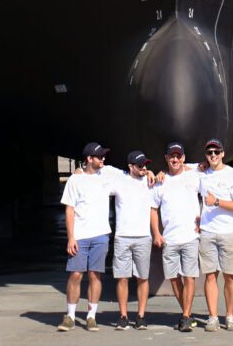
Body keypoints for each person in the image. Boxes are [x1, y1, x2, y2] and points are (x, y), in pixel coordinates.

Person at [58, 141, 112, 332]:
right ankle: (70, 316)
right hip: (80, 236)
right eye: (99, 156)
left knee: (95, 275)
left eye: (104, 156)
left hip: (100, 235)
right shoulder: (75, 180)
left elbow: (131, 173)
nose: (103, 159)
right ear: (89, 159)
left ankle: (91, 316)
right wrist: (71, 237)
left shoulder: (107, 175)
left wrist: (148, 172)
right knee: (76, 274)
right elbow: (69, 210)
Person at [150, 142, 202, 333]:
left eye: (178, 156)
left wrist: (204, 219)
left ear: (184, 158)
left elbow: (211, 181)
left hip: (190, 236)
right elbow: (153, 210)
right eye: (172, 156)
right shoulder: (160, 182)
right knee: (173, 279)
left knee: (189, 277)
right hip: (169, 239)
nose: (175, 159)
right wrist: (157, 233)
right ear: (166, 159)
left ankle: (186, 316)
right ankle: (187, 313)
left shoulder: (194, 175)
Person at [198, 138, 233, 332]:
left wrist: (217, 202)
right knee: (210, 276)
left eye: (216, 152)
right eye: (209, 153)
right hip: (208, 231)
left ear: (223, 154)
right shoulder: (200, 173)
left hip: (228, 231)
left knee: (230, 276)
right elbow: (178, 168)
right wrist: (156, 172)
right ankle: (212, 317)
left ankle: (229, 315)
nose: (213, 156)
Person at [107, 150, 154, 330]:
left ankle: (141, 316)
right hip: (122, 236)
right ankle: (123, 316)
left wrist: (153, 173)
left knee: (143, 277)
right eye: (140, 165)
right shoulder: (119, 181)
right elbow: (101, 170)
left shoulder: (151, 182)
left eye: (145, 165)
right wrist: (81, 172)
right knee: (122, 277)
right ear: (130, 166)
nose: (144, 168)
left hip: (143, 236)